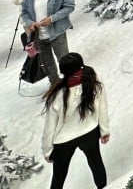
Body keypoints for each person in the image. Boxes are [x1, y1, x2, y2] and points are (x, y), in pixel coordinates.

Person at [42, 53, 110, 189]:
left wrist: (47, 151)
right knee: (96, 163)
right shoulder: (94, 84)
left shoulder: (57, 96)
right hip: (90, 131)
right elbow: (103, 109)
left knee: (58, 177)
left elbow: (49, 128)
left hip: (63, 140)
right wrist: (104, 131)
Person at [21, 0, 76, 85]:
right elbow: (24, 13)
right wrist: (30, 22)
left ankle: (69, 82)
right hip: (39, 36)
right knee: (46, 61)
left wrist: (52, 19)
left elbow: (69, 7)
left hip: (57, 33)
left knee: (63, 59)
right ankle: (54, 83)